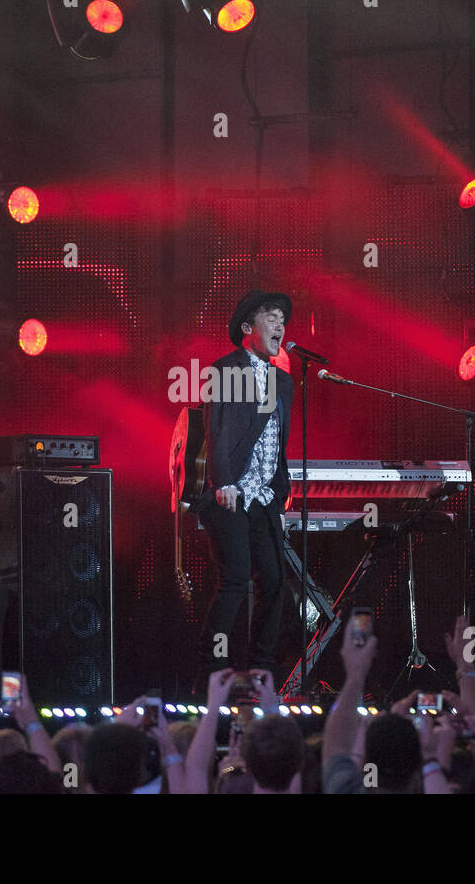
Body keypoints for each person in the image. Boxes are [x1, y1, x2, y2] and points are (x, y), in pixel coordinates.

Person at [190, 289, 294, 686]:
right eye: (271, 317)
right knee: (233, 582)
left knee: (273, 581)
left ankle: (260, 669)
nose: (280, 324)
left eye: (282, 318)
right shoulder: (226, 369)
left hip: (266, 496)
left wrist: (281, 496)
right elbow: (219, 431)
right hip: (231, 494)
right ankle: (211, 668)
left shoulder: (283, 382)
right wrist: (224, 483)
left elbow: (279, 441)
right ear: (248, 327)